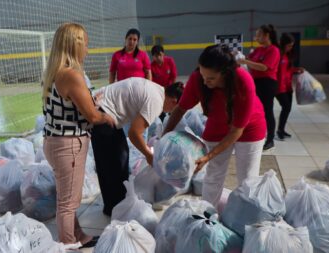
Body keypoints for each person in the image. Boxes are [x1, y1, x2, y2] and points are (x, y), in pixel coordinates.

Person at [163, 44, 266, 208]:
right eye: (203, 75)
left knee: (247, 179)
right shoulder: (198, 79)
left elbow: (237, 131)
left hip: (249, 128)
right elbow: (180, 109)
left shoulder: (243, 82)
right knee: (213, 175)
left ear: (225, 73)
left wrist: (208, 156)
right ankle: (207, 214)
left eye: (210, 78)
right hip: (217, 125)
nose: (205, 81)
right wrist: (165, 136)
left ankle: (245, 217)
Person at [42, 23, 115, 248]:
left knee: (67, 197)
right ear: (75, 45)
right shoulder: (71, 74)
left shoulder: (55, 71)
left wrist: (92, 99)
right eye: (86, 45)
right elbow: (92, 116)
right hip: (68, 144)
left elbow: (72, 106)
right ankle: (67, 244)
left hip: (55, 141)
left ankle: (79, 235)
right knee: (68, 202)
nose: (87, 51)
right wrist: (106, 117)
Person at [91, 78, 183, 216]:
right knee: (114, 162)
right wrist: (148, 154)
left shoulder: (157, 90)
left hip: (101, 108)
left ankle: (114, 206)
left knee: (116, 158)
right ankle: (116, 209)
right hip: (102, 113)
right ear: (174, 101)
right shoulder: (156, 102)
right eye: (174, 110)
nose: (170, 113)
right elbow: (134, 133)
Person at [237, 24, 280, 151]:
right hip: (256, 82)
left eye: (259, 34)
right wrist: (239, 56)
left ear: (267, 35)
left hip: (267, 83)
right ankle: (258, 133)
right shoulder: (258, 50)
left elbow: (264, 67)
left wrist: (245, 62)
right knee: (255, 109)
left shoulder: (273, 50)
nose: (256, 37)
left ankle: (271, 139)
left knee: (267, 111)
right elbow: (248, 59)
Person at [276, 33, 304, 140]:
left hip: (288, 86)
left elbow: (288, 70)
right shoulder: (277, 54)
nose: (290, 48)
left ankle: (281, 129)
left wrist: (297, 69)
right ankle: (279, 130)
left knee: (287, 109)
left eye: (292, 46)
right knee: (286, 107)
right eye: (289, 45)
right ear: (283, 44)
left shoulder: (288, 55)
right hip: (279, 88)